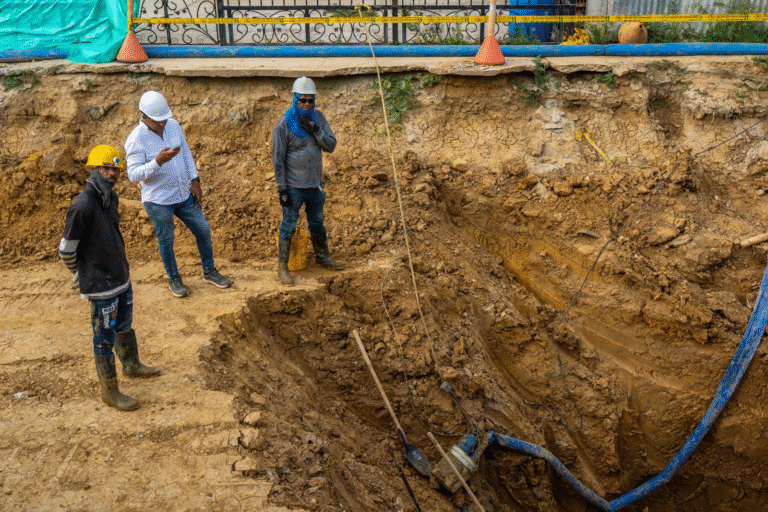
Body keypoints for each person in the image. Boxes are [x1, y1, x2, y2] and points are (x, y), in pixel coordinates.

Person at [59, 145, 161, 412]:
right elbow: (66, 249)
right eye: (106, 168)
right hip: (100, 286)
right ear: (94, 170)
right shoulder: (82, 205)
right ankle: (110, 391)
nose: (112, 174)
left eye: (115, 169)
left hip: (120, 278)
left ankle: (131, 364)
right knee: (104, 338)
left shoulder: (110, 200)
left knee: (124, 325)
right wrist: (79, 273)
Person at [125, 90, 231, 298]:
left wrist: (195, 179)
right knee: (167, 239)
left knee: (203, 229)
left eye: (164, 119)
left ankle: (209, 271)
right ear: (144, 116)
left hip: (183, 193)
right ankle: (174, 278)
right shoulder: (136, 140)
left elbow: (185, 152)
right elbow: (133, 175)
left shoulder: (172, 125)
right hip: (158, 201)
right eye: (157, 121)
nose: (162, 124)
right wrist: (157, 162)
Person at [272, 76, 344, 286]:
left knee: (317, 222)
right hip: (294, 187)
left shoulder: (318, 119)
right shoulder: (283, 126)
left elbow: (330, 145)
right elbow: (278, 159)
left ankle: (323, 257)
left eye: (310, 101)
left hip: (315, 186)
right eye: (302, 100)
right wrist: (282, 189)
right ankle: (283, 267)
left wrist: (314, 129)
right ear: (294, 99)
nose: (306, 104)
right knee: (288, 225)